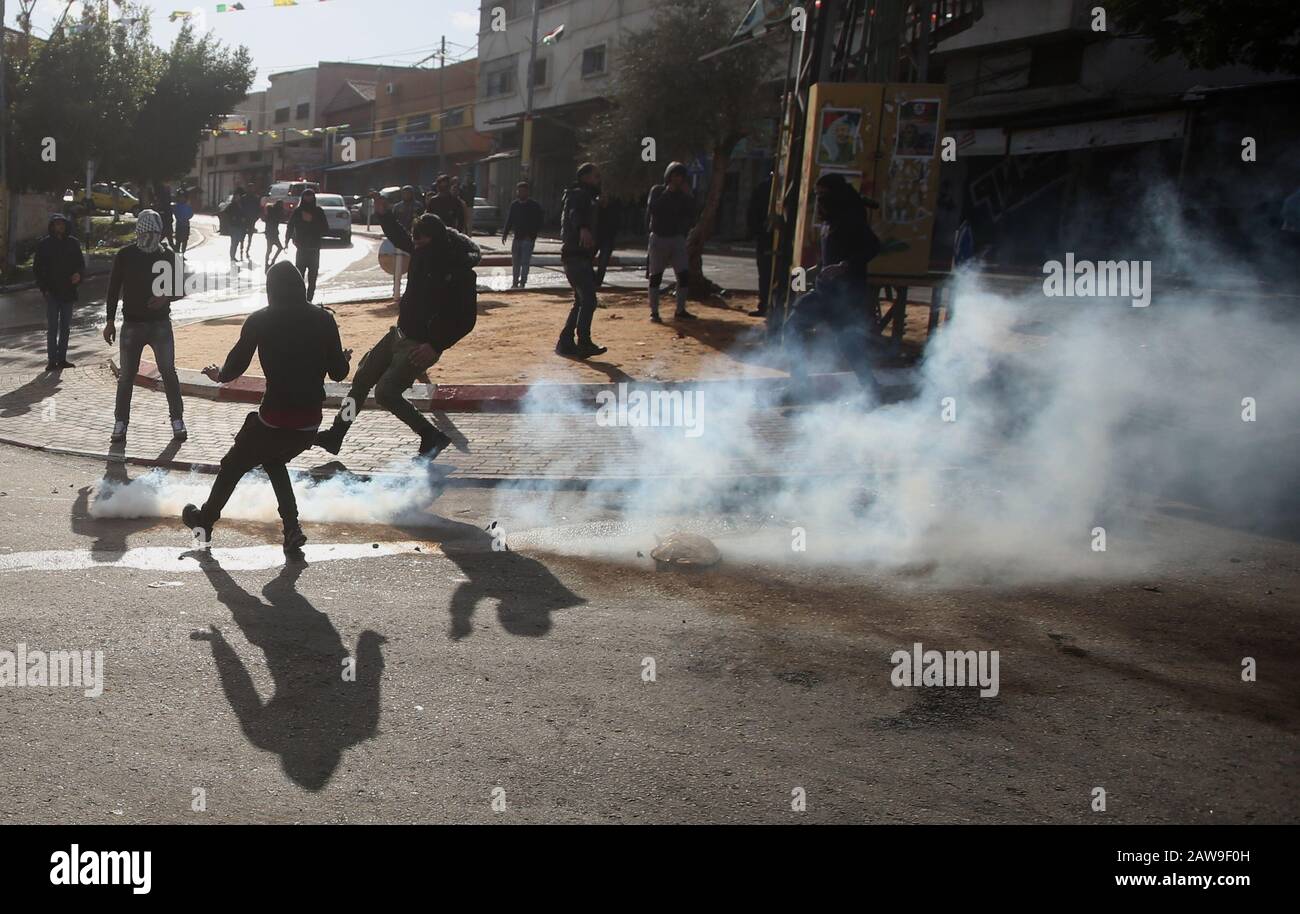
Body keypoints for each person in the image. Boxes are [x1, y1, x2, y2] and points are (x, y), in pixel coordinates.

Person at [183, 260, 351, 555]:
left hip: (274, 416)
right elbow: (339, 373)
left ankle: (205, 521)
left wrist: (217, 375)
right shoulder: (324, 319)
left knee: (233, 465)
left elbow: (234, 366)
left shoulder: (260, 319)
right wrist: (344, 358)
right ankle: (292, 529)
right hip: (309, 420)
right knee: (273, 460)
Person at [314, 194, 481, 458]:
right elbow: (400, 237)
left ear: (434, 239)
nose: (415, 245)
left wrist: (436, 346)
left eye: (420, 239)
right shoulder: (423, 252)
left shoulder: (458, 271)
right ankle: (337, 434)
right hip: (398, 334)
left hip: (419, 346)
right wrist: (384, 214)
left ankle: (431, 436)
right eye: (414, 240)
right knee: (362, 379)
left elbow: (466, 320)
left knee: (386, 393)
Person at [783, 172, 883, 403]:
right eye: (816, 195)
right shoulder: (829, 221)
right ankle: (800, 386)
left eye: (822, 195)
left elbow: (873, 247)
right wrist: (817, 268)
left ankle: (871, 389)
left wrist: (843, 266)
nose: (818, 201)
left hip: (846, 296)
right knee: (791, 329)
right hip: (825, 292)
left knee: (849, 345)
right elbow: (831, 256)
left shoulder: (851, 219)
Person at [104, 209, 188, 443]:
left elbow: (181, 288)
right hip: (131, 325)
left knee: (168, 372)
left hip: (160, 324)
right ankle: (120, 423)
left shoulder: (169, 256)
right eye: (146, 232)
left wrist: (165, 297)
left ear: (160, 233)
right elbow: (113, 291)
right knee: (126, 377)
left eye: (154, 232)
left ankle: (177, 421)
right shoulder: (125, 255)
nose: (150, 237)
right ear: (139, 232)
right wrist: (110, 321)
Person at [556, 163, 607, 358]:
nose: (598, 180)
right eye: (595, 176)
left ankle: (566, 342)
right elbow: (574, 214)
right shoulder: (579, 195)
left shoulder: (586, 196)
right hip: (575, 256)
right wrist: (583, 228)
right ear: (585, 177)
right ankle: (583, 342)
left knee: (581, 301)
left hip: (579, 256)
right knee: (589, 301)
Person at [645, 161, 697, 323]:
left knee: (683, 274)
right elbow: (653, 209)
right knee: (656, 276)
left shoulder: (684, 195)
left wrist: (689, 197)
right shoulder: (658, 190)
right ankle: (654, 312)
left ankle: (680, 310)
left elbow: (692, 214)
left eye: (680, 176)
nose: (677, 179)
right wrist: (668, 192)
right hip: (659, 238)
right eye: (674, 176)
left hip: (677, 239)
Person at [33, 213, 85, 371]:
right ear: (52, 226)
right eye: (56, 224)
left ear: (65, 225)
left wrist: (78, 274)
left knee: (65, 327)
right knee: (52, 328)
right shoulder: (44, 245)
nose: (59, 227)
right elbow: (37, 268)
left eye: (62, 224)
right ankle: (52, 360)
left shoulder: (73, 243)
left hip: (68, 291)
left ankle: (62, 359)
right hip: (52, 292)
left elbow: (80, 265)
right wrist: (44, 289)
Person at [501, 180, 544, 288]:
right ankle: (515, 282)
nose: (521, 193)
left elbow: (540, 221)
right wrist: (505, 233)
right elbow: (509, 220)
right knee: (515, 262)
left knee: (525, 262)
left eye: (523, 191)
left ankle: (523, 282)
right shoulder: (514, 205)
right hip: (517, 237)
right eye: (519, 191)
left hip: (528, 239)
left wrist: (532, 235)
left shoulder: (534, 206)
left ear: (527, 192)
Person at [286, 188, 325, 302]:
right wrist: (286, 241)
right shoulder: (298, 211)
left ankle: (309, 300)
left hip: (314, 249)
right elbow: (290, 226)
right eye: (306, 197)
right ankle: (300, 300)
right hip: (301, 248)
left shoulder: (318, 211)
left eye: (310, 197)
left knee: (312, 277)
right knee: (299, 276)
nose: (308, 199)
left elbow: (325, 228)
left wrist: (312, 221)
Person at [746, 173, 774, 317]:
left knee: (765, 274)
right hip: (767, 239)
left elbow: (751, 214)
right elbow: (752, 213)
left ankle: (766, 305)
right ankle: (769, 305)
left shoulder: (763, 187)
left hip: (765, 239)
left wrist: (756, 232)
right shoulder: (764, 188)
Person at [594, 192, 620, 288]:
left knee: (603, 262)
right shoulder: (595, 209)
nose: (603, 199)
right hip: (596, 237)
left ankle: (597, 282)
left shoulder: (612, 209)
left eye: (605, 197)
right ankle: (591, 279)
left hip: (608, 239)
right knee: (587, 260)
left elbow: (615, 224)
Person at [239, 185, 261, 260]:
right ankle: (242, 250)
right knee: (243, 237)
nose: (251, 189)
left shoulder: (256, 198)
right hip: (245, 220)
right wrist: (242, 217)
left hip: (251, 220)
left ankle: (247, 251)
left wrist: (256, 218)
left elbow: (258, 209)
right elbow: (241, 208)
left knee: (249, 237)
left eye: (252, 188)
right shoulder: (244, 198)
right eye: (250, 188)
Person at [228, 186, 249, 263]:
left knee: (236, 242)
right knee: (234, 242)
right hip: (234, 226)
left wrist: (244, 219)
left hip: (240, 226)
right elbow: (230, 215)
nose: (238, 197)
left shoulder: (242, 204)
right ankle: (232, 257)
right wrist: (235, 218)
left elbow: (244, 213)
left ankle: (233, 256)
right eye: (236, 196)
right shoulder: (232, 205)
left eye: (239, 196)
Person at [264, 199, 286, 269]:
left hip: (270, 232)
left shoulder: (271, 211)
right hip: (273, 233)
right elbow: (281, 218)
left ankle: (268, 261)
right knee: (277, 248)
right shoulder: (277, 212)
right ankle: (272, 260)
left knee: (270, 249)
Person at [172, 190, 194, 255]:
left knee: (185, 240)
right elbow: (175, 213)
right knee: (178, 240)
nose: (182, 198)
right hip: (179, 225)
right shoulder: (177, 206)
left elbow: (191, 214)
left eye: (183, 197)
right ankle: (177, 254)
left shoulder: (187, 205)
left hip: (185, 225)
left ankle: (183, 252)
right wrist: (179, 218)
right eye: (180, 197)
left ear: (185, 198)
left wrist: (186, 218)